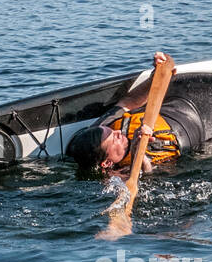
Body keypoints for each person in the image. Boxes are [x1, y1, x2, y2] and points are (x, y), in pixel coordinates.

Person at [66, 51, 202, 174]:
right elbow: (148, 177)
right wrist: (139, 155)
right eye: (114, 139)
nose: (117, 132)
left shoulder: (102, 128)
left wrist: (155, 76)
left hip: (181, 108)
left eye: (111, 132)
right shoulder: (116, 175)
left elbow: (129, 101)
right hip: (199, 143)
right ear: (107, 163)